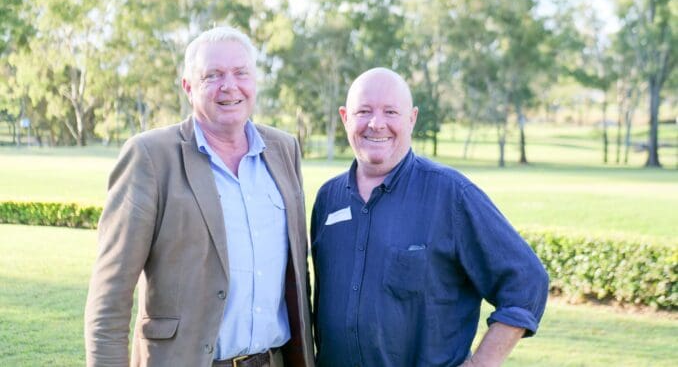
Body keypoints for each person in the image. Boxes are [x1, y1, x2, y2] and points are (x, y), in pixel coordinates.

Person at [85, 26, 314, 367]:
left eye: (240, 73)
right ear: (188, 87)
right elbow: (110, 295)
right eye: (213, 75)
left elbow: (297, 275)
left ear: (255, 82)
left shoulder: (284, 149)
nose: (229, 86)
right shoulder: (150, 156)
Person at [310, 67, 549, 367]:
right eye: (364, 111)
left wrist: (480, 364)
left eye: (391, 111)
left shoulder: (451, 194)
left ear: (412, 119)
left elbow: (527, 280)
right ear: (345, 118)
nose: (376, 123)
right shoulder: (327, 199)